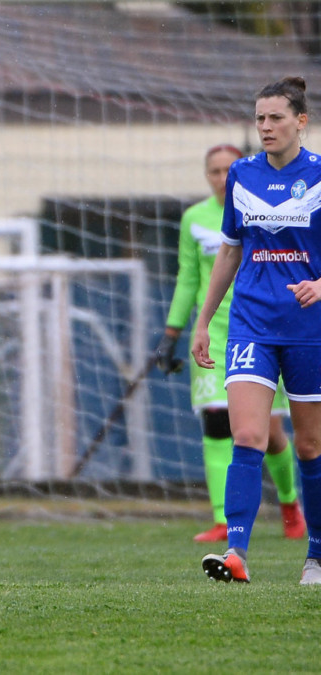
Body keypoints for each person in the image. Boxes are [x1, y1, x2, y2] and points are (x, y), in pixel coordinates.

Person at [192, 76, 321, 585]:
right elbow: (230, 250)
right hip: (251, 323)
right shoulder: (242, 175)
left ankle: (315, 554)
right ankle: (236, 552)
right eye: (259, 118)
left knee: (310, 445)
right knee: (247, 433)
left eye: (275, 118)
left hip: (308, 328)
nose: (265, 127)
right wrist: (203, 322)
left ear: (301, 122)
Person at [156, 143, 305, 543]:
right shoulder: (194, 219)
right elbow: (189, 278)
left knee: (269, 433)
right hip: (218, 335)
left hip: (262, 327)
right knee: (218, 424)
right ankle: (224, 518)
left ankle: (291, 504)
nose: (221, 178)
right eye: (213, 171)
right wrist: (174, 332)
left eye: (227, 169)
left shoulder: (266, 206)